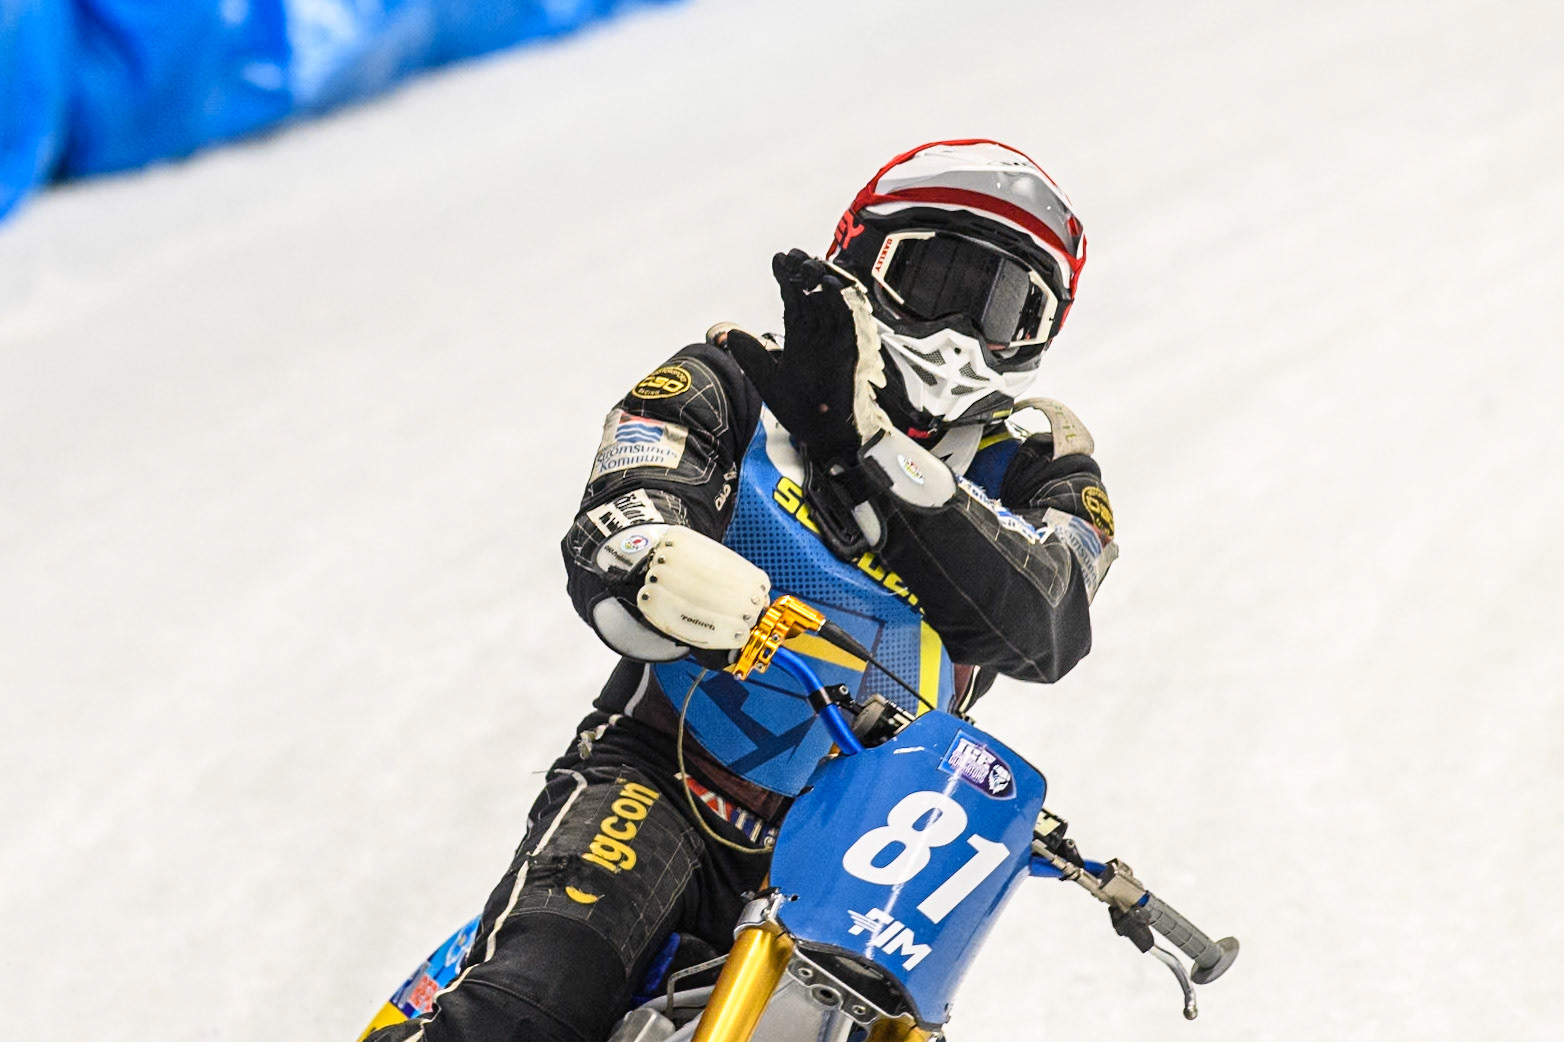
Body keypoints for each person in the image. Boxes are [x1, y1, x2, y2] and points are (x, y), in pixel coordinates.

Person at [367, 139, 1117, 1042]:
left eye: (1001, 306)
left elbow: (1045, 621)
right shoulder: (731, 378)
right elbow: (626, 489)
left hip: (875, 853)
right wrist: (649, 552)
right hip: (665, 781)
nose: (959, 335)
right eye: (933, 277)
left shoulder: (1043, 476)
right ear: (856, 261)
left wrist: (870, 447)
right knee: (531, 1006)